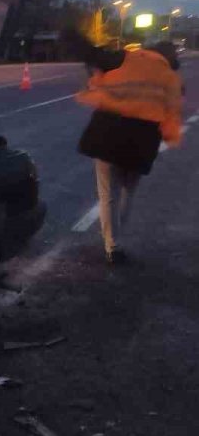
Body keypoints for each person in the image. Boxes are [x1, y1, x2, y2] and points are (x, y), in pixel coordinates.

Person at [69, 31, 182, 264]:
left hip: (107, 134)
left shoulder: (126, 58)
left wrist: (94, 81)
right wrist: (170, 138)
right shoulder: (171, 78)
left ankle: (112, 245)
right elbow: (171, 117)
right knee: (127, 192)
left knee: (108, 194)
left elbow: (95, 59)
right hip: (142, 142)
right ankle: (115, 240)